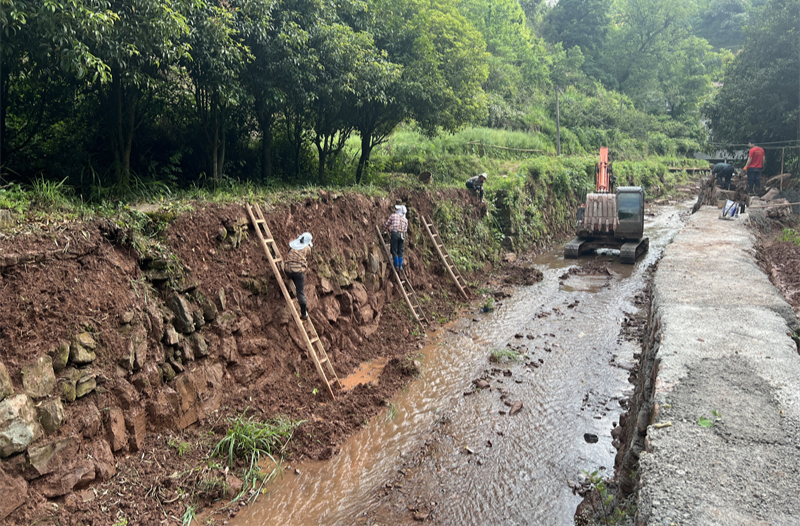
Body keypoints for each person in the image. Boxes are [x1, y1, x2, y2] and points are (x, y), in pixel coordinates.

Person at [286, 232, 313, 320]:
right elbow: (307, 257)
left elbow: (289, 253)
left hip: (288, 271)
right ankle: (304, 314)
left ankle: (292, 293)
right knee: (300, 292)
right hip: (299, 273)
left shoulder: (293, 244)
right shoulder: (307, 248)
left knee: (293, 271)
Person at [383, 203, 408, 272]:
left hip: (395, 233)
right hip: (402, 235)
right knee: (400, 251)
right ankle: (400, 266)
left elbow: (387, 224)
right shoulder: (405, 220)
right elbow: (405, 230)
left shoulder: (393, 216)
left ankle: (396, 265)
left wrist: (384, 230)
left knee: (393, 250)